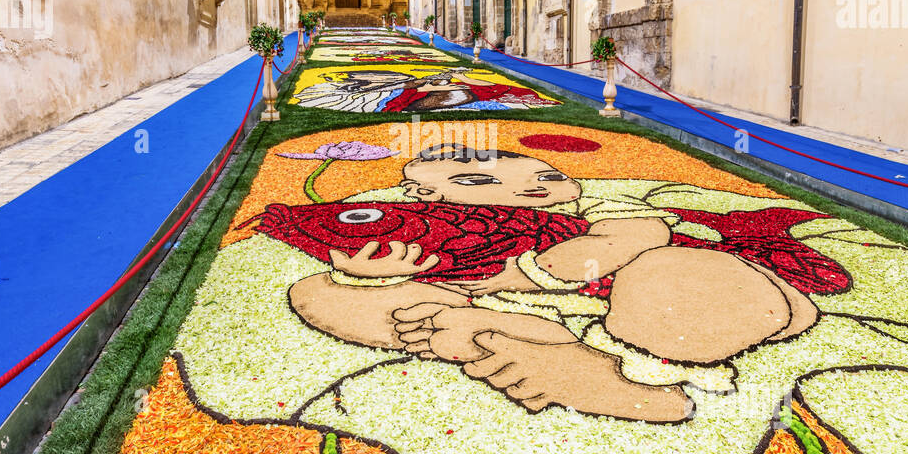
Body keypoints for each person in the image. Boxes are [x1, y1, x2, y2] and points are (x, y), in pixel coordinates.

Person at [287, 146, 819, 423]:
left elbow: (631, 238)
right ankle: (539, 345)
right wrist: (363, 274)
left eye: (549, 178)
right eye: (477, 182)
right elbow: (340, 285)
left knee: (677, 279)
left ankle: (630, 378)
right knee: (316, 294)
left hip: (656, 294)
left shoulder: (596, 210)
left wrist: (524, 273)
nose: (535, 190)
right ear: (421, 195)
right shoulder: (432, 234)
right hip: (529, 315)